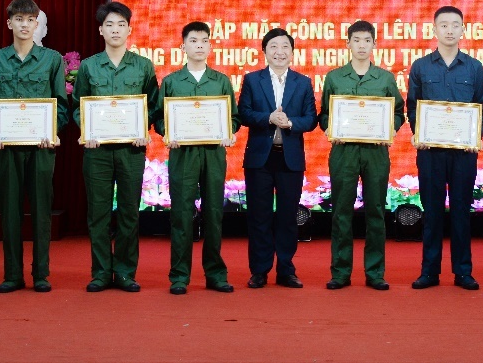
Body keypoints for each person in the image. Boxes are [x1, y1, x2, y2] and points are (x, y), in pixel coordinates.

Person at [72, 1, 159, 293]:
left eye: (121, 25)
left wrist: (143, 130)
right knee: (97, 213)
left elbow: (153, 105)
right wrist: (87, 130)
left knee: (129, 213)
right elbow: (78, 106)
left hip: (131, 150)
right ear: (101, 30)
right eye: (109, 25)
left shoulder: (143, 66)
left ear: (129, 29)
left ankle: (124, 272)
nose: (115, 30)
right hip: (96, 150)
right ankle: (100, 272)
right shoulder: (89, 66)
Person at [0, 0, 69, 293]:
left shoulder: (52, 59)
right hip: (6, 147)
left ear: (37, 24)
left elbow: (61, 104)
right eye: (19, 19)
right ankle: (12, 274)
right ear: (9, 23)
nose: (24, 25)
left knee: (42, 210)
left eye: (30, 20)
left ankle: (41, 274)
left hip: (42, 146)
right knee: (10, 210)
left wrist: (53, 130)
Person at [406, 5, 483, 291]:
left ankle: (463, 272)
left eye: (455, 25)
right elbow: (413, 107)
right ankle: (429, 271)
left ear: (463, 30)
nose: (450, 30)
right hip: (430, 152)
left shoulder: (474, 67)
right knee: (431, 212)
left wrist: (474, 136)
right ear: (435, 30)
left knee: (461, 212)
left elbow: (482, 107)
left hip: (464, 153)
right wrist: (419, 133)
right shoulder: (421, 66)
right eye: (444, 25)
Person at [318, 20, 404, 291]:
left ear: (375, 44)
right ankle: (340, 272)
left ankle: (375, 272)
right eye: (356, 40)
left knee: (375, 210)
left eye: (367, 40)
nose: (362, 45)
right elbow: (324, 114)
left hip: (376, 151)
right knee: (341, 211)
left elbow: (398, 112)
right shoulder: (334, 77)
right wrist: (330, 127)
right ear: (348, 44)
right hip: (343, 151)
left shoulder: (385, 78)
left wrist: (390, 128)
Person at [156, 21, 240, 295]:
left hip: (213, 153)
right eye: (193, 41)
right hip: (183, 154)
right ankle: (179, 276)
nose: (199, 46)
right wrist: (168, 133)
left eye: (204, 41)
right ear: (183, 46)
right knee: (181, 214)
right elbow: (159, 118)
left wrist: (229, 132)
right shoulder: (171, 81)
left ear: (211, 46)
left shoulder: (221, 80)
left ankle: (215, 274)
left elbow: (234, 117)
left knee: (214, 213)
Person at [238, 28, 318, 289]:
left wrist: (290, 123)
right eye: (273, 46)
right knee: (259, 217)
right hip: (260, 159)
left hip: (290, 159)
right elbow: (244, 113)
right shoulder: (252, 80)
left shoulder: (303, 82)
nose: (279, 52)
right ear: (264, 51)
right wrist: (268, 118)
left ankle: (286, 270)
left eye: (285, 47)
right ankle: (259, 271)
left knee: (287, 217)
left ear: (292, 52)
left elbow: (311, 119)